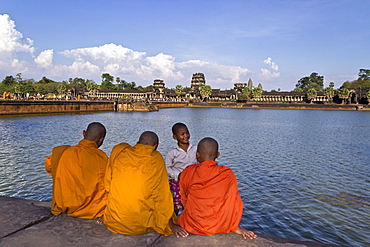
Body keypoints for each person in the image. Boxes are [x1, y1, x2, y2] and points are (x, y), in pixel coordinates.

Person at [103, 131, 188, 237]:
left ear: (137, 142)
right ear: (155, 146)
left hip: (114, 221)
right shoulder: (155, 158)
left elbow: (107, 184)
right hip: (141, 225)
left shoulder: (119, 151)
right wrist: (169, 223)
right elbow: (161, 195)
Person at [178, 137, 257, 240]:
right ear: (218, 155)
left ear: (197, 155)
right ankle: (233, 227)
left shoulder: (188, 171)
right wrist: (234, 226)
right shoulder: (227, 173)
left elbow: (183, 198)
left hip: (192, 224)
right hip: (220, 225)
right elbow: (234, 202)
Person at [44, 122, 108, 219]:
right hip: (93, 211)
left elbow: (49, 167)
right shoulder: (102, 158)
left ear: (84, 133)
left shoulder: (62, 153)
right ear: (101, 140)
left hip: (65, 208)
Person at [165, 122, 197, 216]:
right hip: (177, 181)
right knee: (177, 202)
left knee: (191, 201)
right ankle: (175, 219)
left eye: (187, 133)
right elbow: (167, 168)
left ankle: (189, 218)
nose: (186, 136)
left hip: (192, 181)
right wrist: (177, 175)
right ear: (175, 137)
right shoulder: (173, 152)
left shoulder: (195, 149)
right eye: (182, 134)